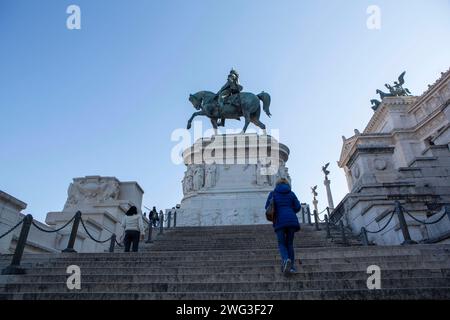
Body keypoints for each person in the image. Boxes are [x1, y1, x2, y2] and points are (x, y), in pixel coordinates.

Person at [265, 178, 301, 275]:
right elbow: (298, 207)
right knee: (289, 244)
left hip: (279, 220)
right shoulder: (291, 193)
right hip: (291, 220)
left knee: (281, 243)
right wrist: (290, 209)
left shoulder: (273, 194)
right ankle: (292, 267)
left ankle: (286, 260)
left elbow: (267, 207)